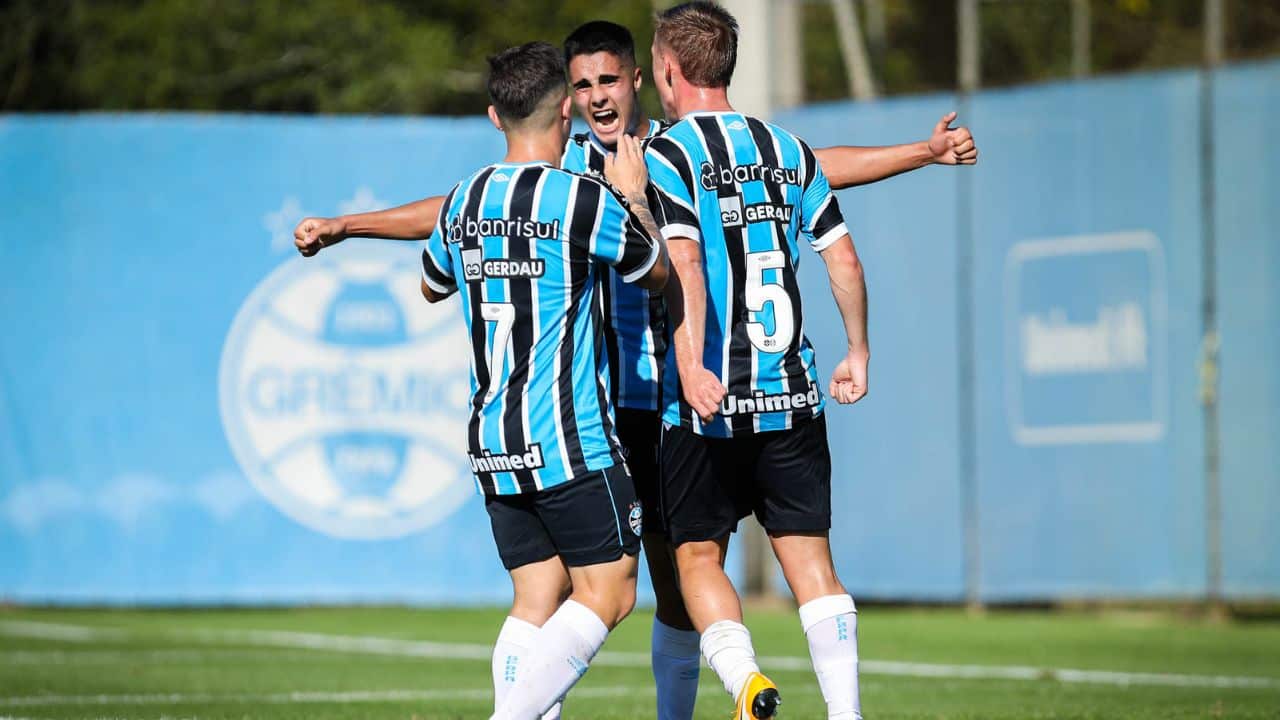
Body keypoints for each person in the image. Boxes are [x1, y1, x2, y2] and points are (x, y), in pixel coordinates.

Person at [293, 20, 977, 720]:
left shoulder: (668, 154)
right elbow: (458, 215)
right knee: (570, 589)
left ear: (641, 79)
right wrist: (353, 225)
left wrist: (920, 153)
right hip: (618, 408)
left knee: (675, 589)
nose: (596, 97)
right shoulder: (570, 176)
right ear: (567, 99)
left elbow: (816, 165)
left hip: (678, 402)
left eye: (608, 80)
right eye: (582, 85)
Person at [414, 40, 668, 720]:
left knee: (537, 597)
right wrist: (637, 201)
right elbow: (658, 275)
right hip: (569, 437)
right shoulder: (579, 198)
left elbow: (431, 284)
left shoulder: (464, 200)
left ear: (496, 117)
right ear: (567, 113)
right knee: (610, 593)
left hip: (494, 438)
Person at [643, 3, 870, 719]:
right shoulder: (787, 149)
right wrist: (857, 349)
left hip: (706, 404)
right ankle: (848, 714)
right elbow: (843, 258)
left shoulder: (669, 154)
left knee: (697, 560)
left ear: (670, 70)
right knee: (813, 566)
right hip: (791, 395)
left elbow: (685, 263)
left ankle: (746, 684)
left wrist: (690, 363)